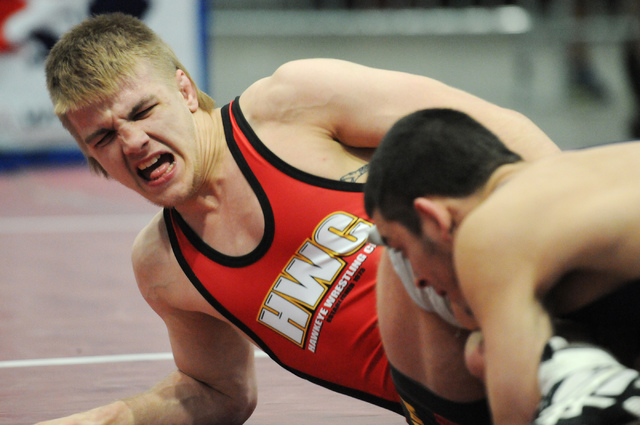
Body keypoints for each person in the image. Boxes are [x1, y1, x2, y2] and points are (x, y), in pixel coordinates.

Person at [42, 13, 559, 425]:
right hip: (457, 403)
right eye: (103, 138)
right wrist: (107, 419)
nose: (133, 142)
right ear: (94, 161)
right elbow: (219, 391)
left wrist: (580, 255)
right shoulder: (164, 267)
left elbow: (499, 132)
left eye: (141, 112)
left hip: (539, 311)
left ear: (184, 90)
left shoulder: (290, 104)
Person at [364, 107, 640, 425]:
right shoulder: (569, 176)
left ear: (434, 219)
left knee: (515, 364)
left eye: (402, 249)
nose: (418, 280)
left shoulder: (490, 230)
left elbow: (517, 412)